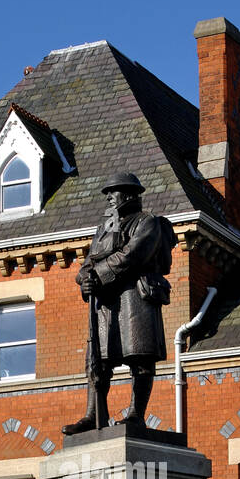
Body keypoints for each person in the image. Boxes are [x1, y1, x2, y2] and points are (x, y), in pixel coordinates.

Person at [62, 173, 176, 435]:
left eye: (112, 194)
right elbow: (88, 262)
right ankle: (94, 414)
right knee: (99, 359)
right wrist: (84, 280)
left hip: (135, 297)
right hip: (106, 302)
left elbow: (131, 257)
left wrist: (97, 276)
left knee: (140, 356)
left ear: (128, 195)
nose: (109, 199)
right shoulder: (105, 228)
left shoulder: (147, 223)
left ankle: (136, 414)